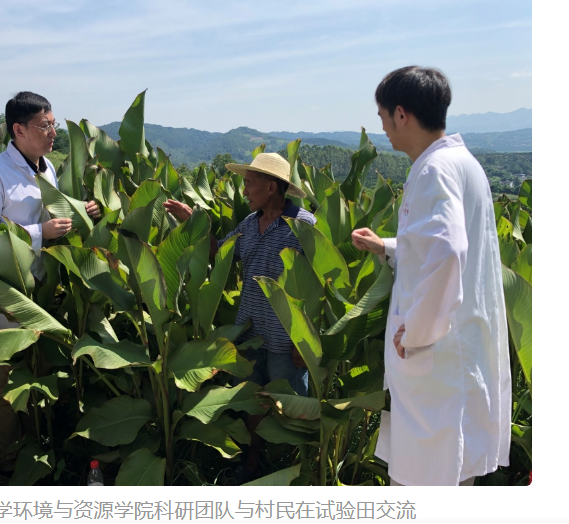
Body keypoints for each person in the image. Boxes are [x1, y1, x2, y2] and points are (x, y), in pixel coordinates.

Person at [351, 66, 511, 486]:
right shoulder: (463, 163)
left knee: (430, 480)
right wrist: (388, 246)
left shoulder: (433, 170)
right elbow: (438, 245)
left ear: (402, 114)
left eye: (384, 117)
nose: (383, 128)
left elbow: (449, 251)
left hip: (437, 364)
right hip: (456, 359)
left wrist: (417, 332)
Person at [0, 91, 101, 475]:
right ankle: (10, 463)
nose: (53, 133)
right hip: (10, 295)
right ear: (19, 129)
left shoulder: (47, 169)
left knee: (36, 373)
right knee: (7, 383)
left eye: (54, 125)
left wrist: (80, 211)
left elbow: (50, 215)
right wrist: (41, 233)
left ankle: (35, 448)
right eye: (45, 126)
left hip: (43, 289)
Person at [163, 152, 315, 481]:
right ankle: (252, 464)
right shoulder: (249, 224)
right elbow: (221, 252)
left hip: (286, 337)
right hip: (250, 334)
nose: (243, 190)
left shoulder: (302, 225)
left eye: (249, 183)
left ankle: (296, 471)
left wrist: (303, 342)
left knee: (291, 406)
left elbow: (316, 284)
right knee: (251, 402)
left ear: (271, 187)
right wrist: (192, 220)